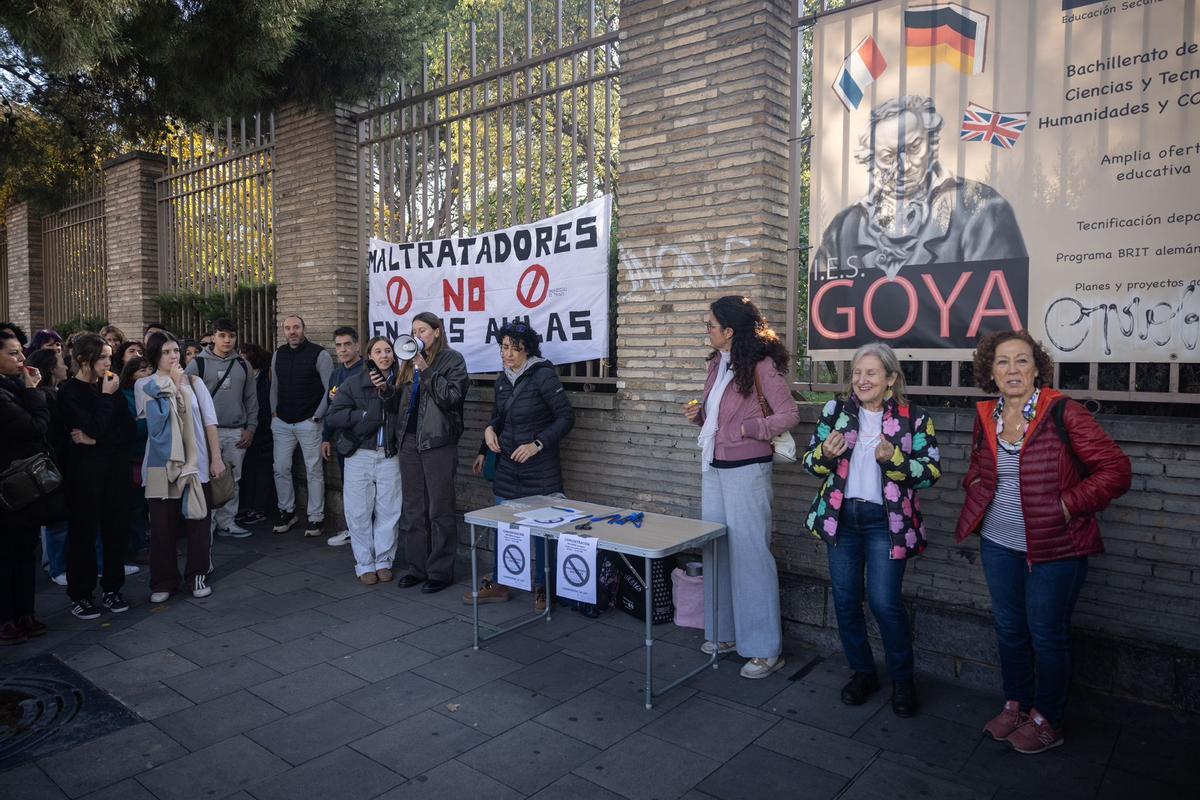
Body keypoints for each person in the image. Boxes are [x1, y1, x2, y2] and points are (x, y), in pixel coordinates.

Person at [955, 330, 1130, 754]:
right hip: (999, 542)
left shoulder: (1063, 413)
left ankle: (1048, 719)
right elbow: (979, 468)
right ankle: (1016, 705)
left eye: (1021, 361)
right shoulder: (988, 417)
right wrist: (976, 485)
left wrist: (1069, 505)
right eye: (1002, 362)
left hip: (1057, 547)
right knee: (1011, 631)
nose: (1012, 370)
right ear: (990, 372)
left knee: (1046, 635)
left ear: (1037, 368)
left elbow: (1116, 470)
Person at [801, 342, 942, 716]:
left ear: (891, 378)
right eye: (857, 373)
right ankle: (863, 672)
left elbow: (929, 474)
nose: (861, 380)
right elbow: (810, 464)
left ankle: (902, 680)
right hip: (843, 521)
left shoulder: (914, 418)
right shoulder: (836, 412)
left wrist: (895, 460)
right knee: (846, 603)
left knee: (884, 603)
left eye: (871, 373)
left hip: (886, 525)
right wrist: (825, 456)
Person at [683, 296, 799, 679]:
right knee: (716, 551)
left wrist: (750, 429)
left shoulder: (763, 366)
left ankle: (765, 648)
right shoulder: (718, 365)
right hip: (714, 467)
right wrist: (699, 414)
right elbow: (717, 417)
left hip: (748, 469)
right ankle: (726, 634)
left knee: (751, 556)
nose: (707, 331)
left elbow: (789, 414)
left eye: (711, 325)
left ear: (729, 330)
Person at [812, 94, 1026, 282]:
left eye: (914, 147)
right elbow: (826, 313)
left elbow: (999, 312)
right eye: (888, 157)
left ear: (932, 142)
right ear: (871, 161)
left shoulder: (982, 207)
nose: (904, 166)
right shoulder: (842, 230)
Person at [466, 321, 574, 610]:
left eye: (516, 348)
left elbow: (566, 418)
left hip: (540, 469)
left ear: (528, 350)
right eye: (504, 347)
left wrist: (537, 444)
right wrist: (486, 437)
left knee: (542, 530)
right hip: (507, 467)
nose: (509, 353)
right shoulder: (502, 379)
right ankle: (502, 581)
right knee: (505, 526)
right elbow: (498, 417)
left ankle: (544, 586)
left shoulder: (543, 376)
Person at [385, 312, 469, 594]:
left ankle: (441, 571)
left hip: (437, 442)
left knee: (439, 509)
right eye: (413, 330)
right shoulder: (407, 362)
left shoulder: (452, 359)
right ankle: (417, 568)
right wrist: (385, 391)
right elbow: (401, 404)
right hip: (409, 442)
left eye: (422, 330)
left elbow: (451, 397)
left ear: (436, 332)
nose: (417, 335)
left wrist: (427, 370)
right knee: (414, 508)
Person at [140, 332, 225, 602]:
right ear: (155, 356)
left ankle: (197, 574)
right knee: (162, 527)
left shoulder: (195, 382)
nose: (174, 356)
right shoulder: (146, 384)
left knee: (199, 522)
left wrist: (216, 457)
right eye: (166, 352)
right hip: (160, 465)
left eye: (175, 350)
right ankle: (163, 581)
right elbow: (157, 424)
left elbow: (209, 422)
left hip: (195, 463)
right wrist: (174, 387)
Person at [57, 333, 136, 618]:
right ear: (83, 359)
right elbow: (91, 426)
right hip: (84, 474)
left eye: (109, 356)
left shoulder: (111, 387)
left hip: (115, 469)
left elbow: (127, 431)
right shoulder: (69, 392)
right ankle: (81, 593)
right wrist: (104, 399)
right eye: (102, 357)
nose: (108, 362)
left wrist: (96, 440)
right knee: (84, 533)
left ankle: (113, 588)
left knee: (116, 530)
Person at [326, 337, 402, 584]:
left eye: (388, 350)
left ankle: (384, 560)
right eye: (378, 351)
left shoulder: (403, 381)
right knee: (358, 512)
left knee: (389, 510)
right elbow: (333, 416)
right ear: (369, 356)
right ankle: (365, 563)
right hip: (360, 455)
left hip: (390, 455)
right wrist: (364, 414)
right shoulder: (354, 382)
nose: (384, 355)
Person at [0, 329, 52, 644]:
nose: (21, 359)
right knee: (7, 555)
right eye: (13, 353)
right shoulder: (5, 394)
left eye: (20, 352)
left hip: (23, 485)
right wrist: (34, 392)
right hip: (8, 486)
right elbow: (36, 427)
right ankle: (7, 618)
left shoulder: (13, 387)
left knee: (23, 552)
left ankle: (24, 613)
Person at [186, 318, 258, 538]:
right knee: (206, 479)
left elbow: (251, 399)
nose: (227, 340)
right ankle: (206, 524)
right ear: (214, 337)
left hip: (236, 430)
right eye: (222, 335)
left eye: (232, 336)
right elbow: (185, 398)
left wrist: (251, 427)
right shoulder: (198, 364)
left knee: (232, 479)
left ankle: (228, 521)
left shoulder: (242, 364)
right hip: (207, 433)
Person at [269, 315, 333, 537]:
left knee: (314, 470)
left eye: (296, 327)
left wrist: (317, 416)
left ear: (304, 329)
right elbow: (274, 385)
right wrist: (274, 412)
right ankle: (287, 511)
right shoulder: (279, 354)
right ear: (284, 331)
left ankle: (316, 517)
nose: (292, 331)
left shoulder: (320, 354)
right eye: (288, 328)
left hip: (309, 422)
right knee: (281, 468)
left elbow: (330, 389)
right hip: (282, 422)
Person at [26, 348, 71, 586]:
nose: (66, 366)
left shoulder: (56, 393)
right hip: (53, 464)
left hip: (60, 462)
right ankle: (57, 567)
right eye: (62, 362)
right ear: (52, 369)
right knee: (56, 519)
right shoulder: (45, 397)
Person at [321, 326, 365, 547]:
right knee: (348, 487)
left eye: (348, 344)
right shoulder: (336, 374)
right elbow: (331, 408)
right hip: (342, 441)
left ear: (357, 345)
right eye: (339, 345)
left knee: (365, 491)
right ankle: (351, 531)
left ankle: (365, 534)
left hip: (364, 441)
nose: (343, 349)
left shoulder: (367, 370)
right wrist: (326, 438)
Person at [236, 343, 276, 525]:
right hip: (249, 426)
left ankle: (260, 508)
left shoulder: (266, 374)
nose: (241, 360)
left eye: (244, 357)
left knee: (263, 468)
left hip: (265, 426)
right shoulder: (242, 375)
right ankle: (248, 506)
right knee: (249, 468)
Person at [120, 356, 154, 564]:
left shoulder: (157, 391)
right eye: (142, 370)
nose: (147, 373)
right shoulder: (124, 396)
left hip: (154, 455)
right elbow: (132, 428)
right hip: (135, 457)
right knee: (136, 506)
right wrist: (150, 422)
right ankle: (139, 546)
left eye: (149, 369)